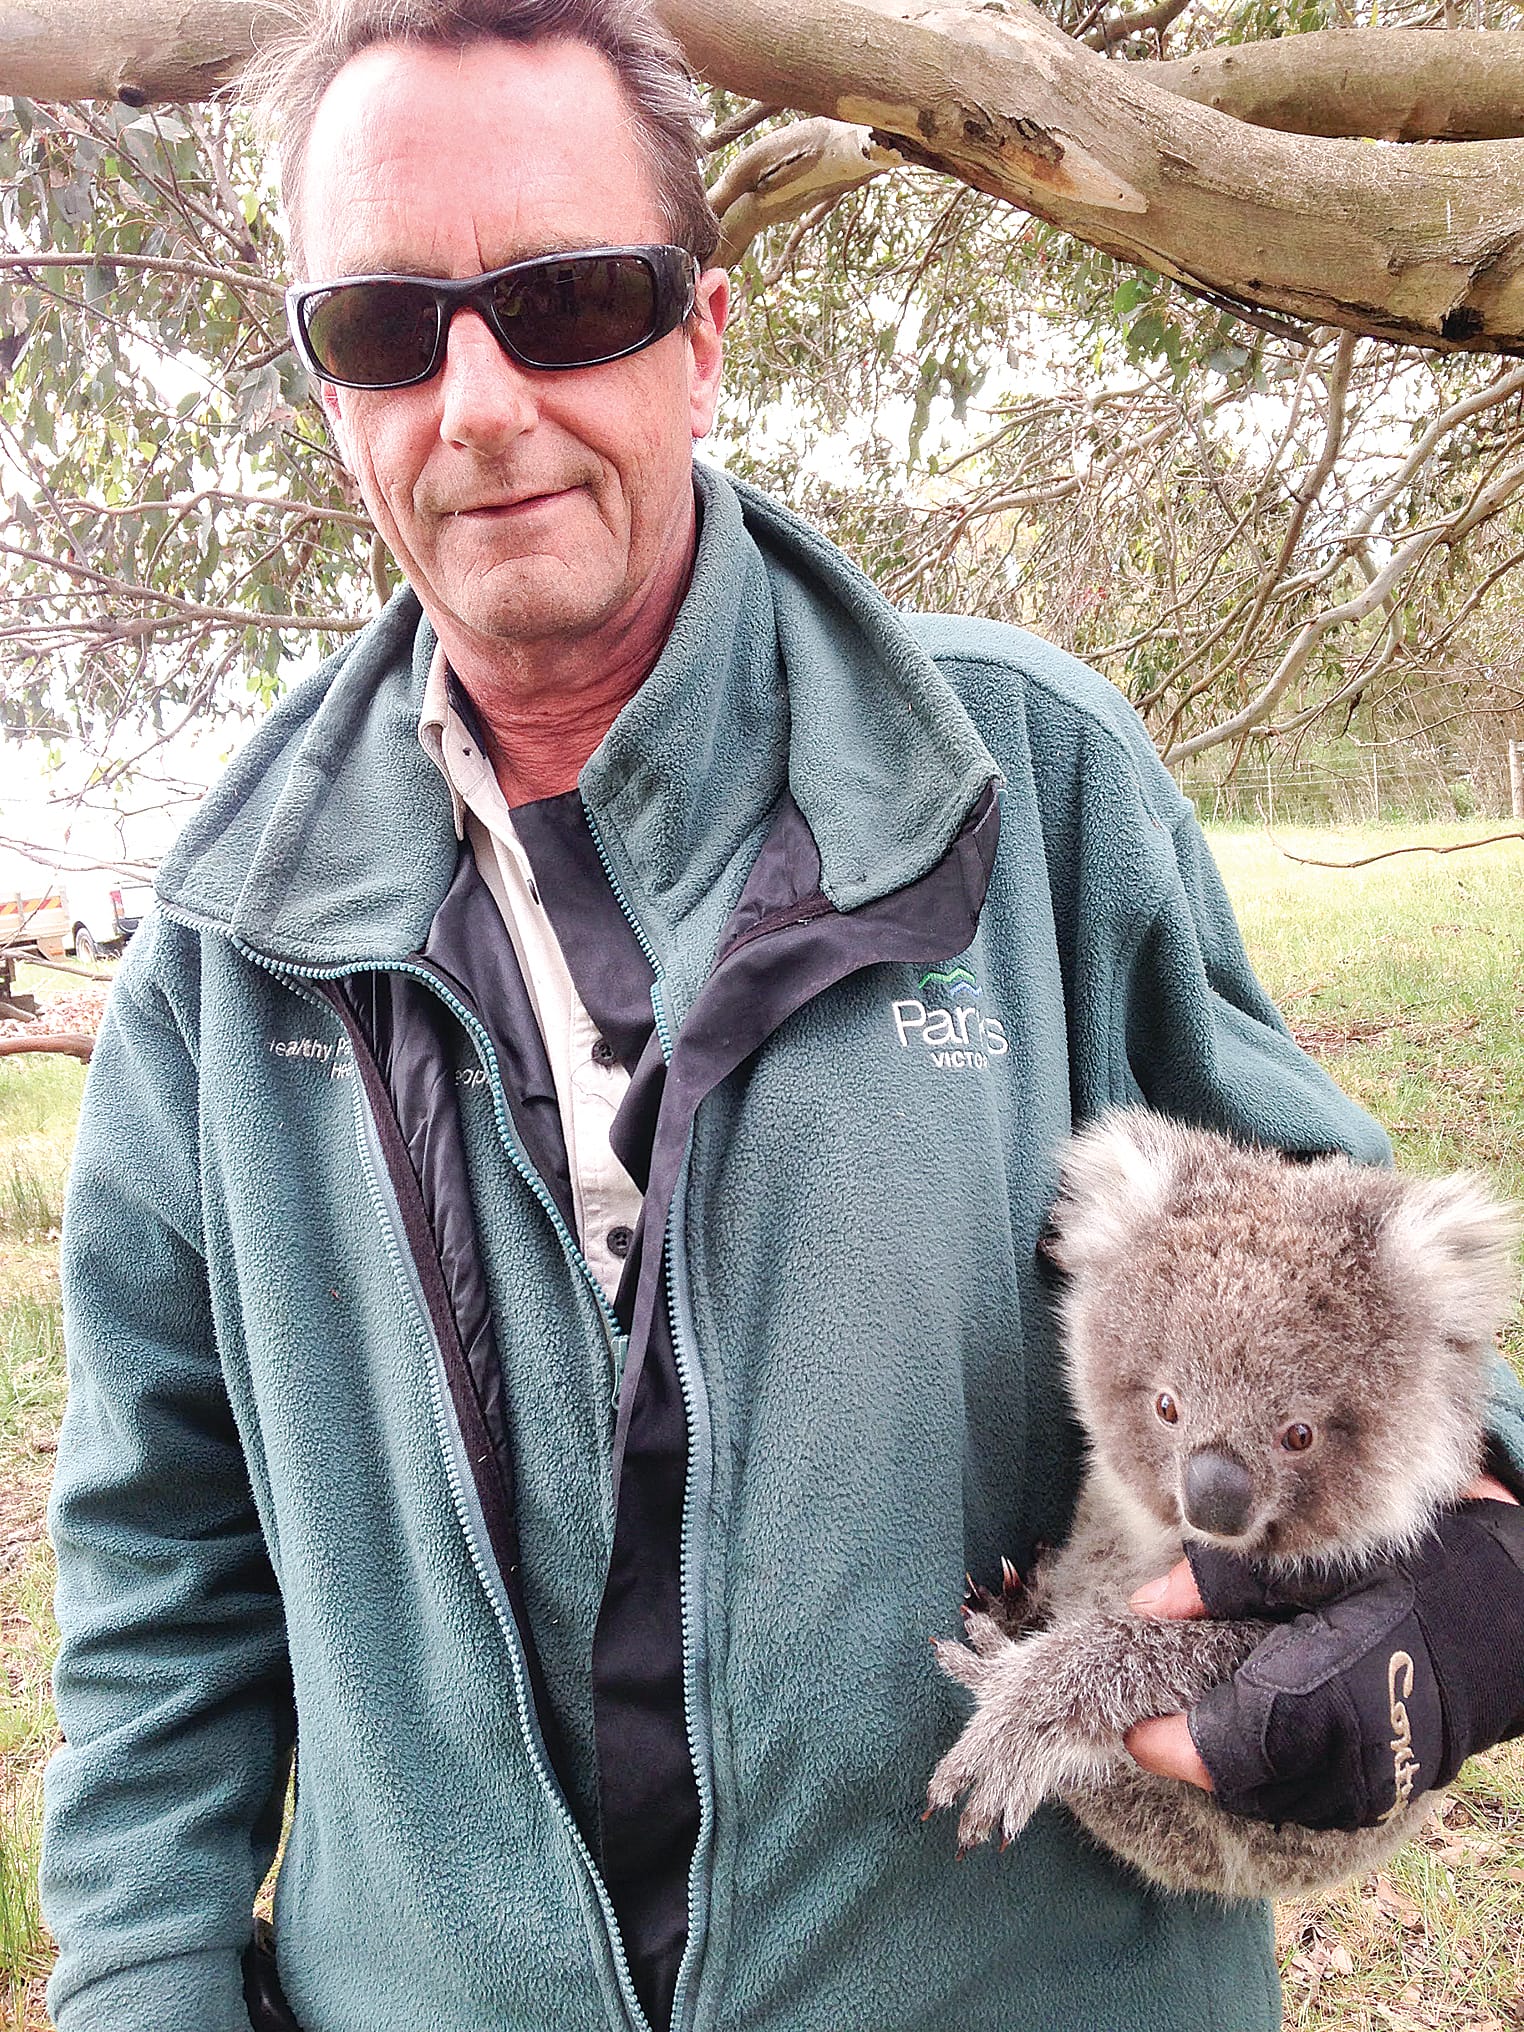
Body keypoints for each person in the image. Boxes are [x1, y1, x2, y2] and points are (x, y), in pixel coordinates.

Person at [40, 2, 1524, 2028]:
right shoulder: (222, 950)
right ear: (328, 391)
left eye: (565, 299)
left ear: (705, 332)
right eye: (386, 324)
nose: (476, 400)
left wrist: (1470, 1585)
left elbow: (1394, 1303)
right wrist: (140, 1981)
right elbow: (158, 1576)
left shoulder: (1028, 782)